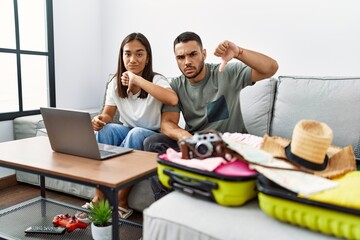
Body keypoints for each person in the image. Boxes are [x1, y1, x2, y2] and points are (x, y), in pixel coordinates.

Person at [143, 31, 278, 199]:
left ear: (204, 54)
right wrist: (186, 137)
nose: (187, 62)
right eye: (181, 57)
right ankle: (168, 203)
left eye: (192, 54)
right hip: (196, 146)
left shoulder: (225, 72)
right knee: (152, 142)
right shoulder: (176, 85)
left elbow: (271, 68)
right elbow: (167, 124)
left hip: (229, 146)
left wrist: (238, 53)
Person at [81, 32, 178, 219]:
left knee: (135, 134)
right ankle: (99, 198)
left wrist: (138, 79)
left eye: (139, 54)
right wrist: (100, 120)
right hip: (127, 128)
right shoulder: (114, 83)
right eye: (128, 54)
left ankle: (121, 201)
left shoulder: (157, 80)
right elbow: (108, 114)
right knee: (107, 130)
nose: (133, 59)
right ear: (122, 56)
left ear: (147, 58)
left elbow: (172, 99)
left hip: (150, 133)